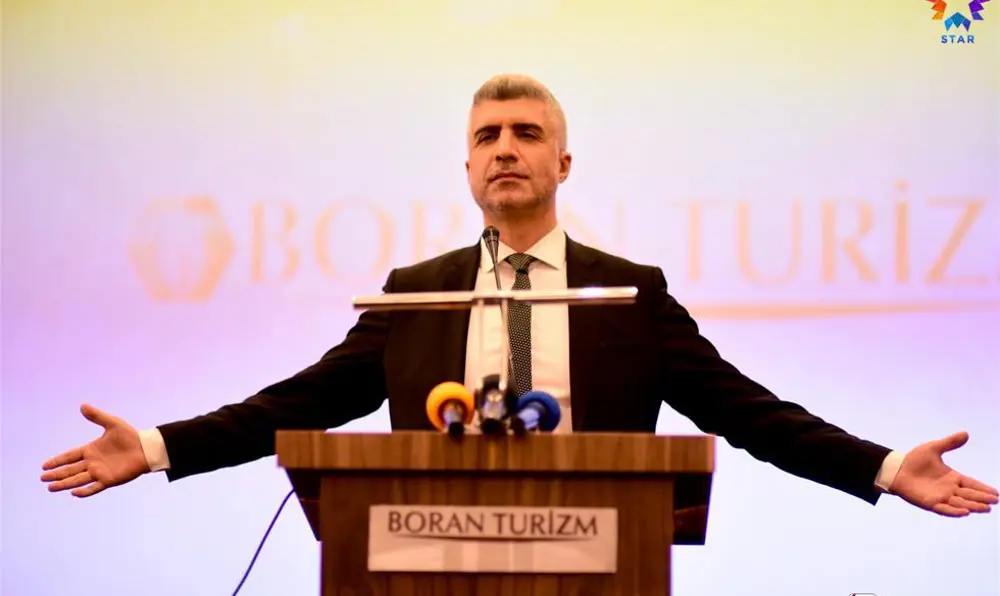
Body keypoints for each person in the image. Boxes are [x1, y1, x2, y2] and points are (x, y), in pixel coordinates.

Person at [42, 74, 997, 518]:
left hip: (601, 554)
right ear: (466, 167)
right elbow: (296, 404)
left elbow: (750, 412)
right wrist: (159, 447)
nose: (506, 148)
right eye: (488, 136)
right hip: (428, 553)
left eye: (527, 133)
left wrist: (882, 468)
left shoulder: (631, 296)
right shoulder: (414, 295)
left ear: (562, 162)